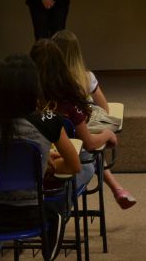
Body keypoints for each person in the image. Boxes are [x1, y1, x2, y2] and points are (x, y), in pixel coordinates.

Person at [0, 54, 81, 261]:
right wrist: (40, 165)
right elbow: (74, 166)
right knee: (60, 204)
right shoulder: (49, 121)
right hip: (30, 216)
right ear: (34, 89)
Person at [30, 39, 137, 209]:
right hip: (64, 164)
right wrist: (108, 134)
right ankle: (58, 208)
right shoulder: (69, 100)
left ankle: (116, 188)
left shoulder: (23, 101)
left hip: (30, 167)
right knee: (89, 159)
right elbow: (91, 140)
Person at [51, 29, 108, 112]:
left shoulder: (45, 77)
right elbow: (105, 109)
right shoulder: (87, 77)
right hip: (81, 119)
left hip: (54, 119)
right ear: (77, 52)